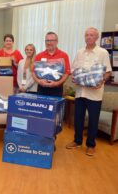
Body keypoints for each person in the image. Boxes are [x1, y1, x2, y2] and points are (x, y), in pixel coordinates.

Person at [66, 27, 112, 156]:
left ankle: (91, 145)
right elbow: (74, 69)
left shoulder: (103, 52)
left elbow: (108, 72)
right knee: (78, 118)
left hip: (95, 94)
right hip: (80, 92)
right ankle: (77, 141)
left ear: (97, 37)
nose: (89, 37)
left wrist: (101, 81)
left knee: (93, 120)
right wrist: (74, 78)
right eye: (87, 35)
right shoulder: (80, 52)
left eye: (91, 35)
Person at [32, 32, 70, 97]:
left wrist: (57, 83)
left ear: (56, 41)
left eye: (51, 40)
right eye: (47, 40)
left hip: (57, 89)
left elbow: (66, 73)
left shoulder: (64, 55)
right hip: (42, 89)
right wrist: (39, 81)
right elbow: (33, 72)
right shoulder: (39, 56)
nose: (49, 43)